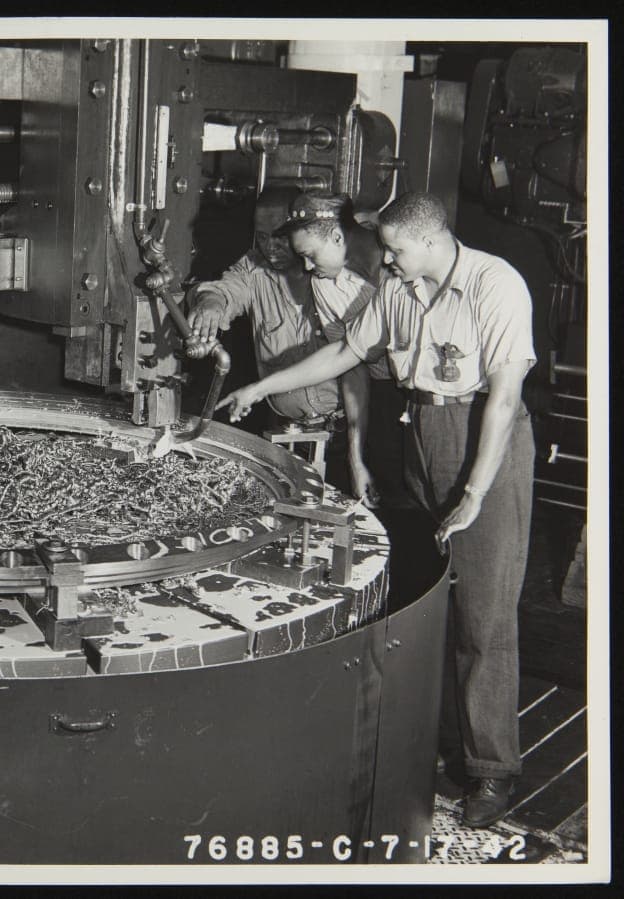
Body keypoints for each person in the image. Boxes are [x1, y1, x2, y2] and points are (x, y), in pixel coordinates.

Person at [220, 191, 536, 829]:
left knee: (485, 618)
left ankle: (492, 772)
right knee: (430, 602)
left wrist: (474, 493)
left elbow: (503, 398)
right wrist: (259, 386)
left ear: (429, 239)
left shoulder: (493, 283)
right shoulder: (399, 288)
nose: (383, 262)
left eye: (393, 250)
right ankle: (444, 744)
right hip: (419, 432)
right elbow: (346, 354)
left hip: (481, 437)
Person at [186, 190, 356, 495]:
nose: (270, 248)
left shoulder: (334, 268)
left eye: (279, 238)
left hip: (344, 438)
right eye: (262, 237)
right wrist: (210, 303)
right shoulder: (254, 268)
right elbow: (225, 290)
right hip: (285, 434)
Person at [273, 191, 411, 509]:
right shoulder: (324, 282)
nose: (307, 267)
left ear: (337, 236)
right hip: (383, 396)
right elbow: (350, 366)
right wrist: (356, 458)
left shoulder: (402, 266)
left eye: (310, 254)